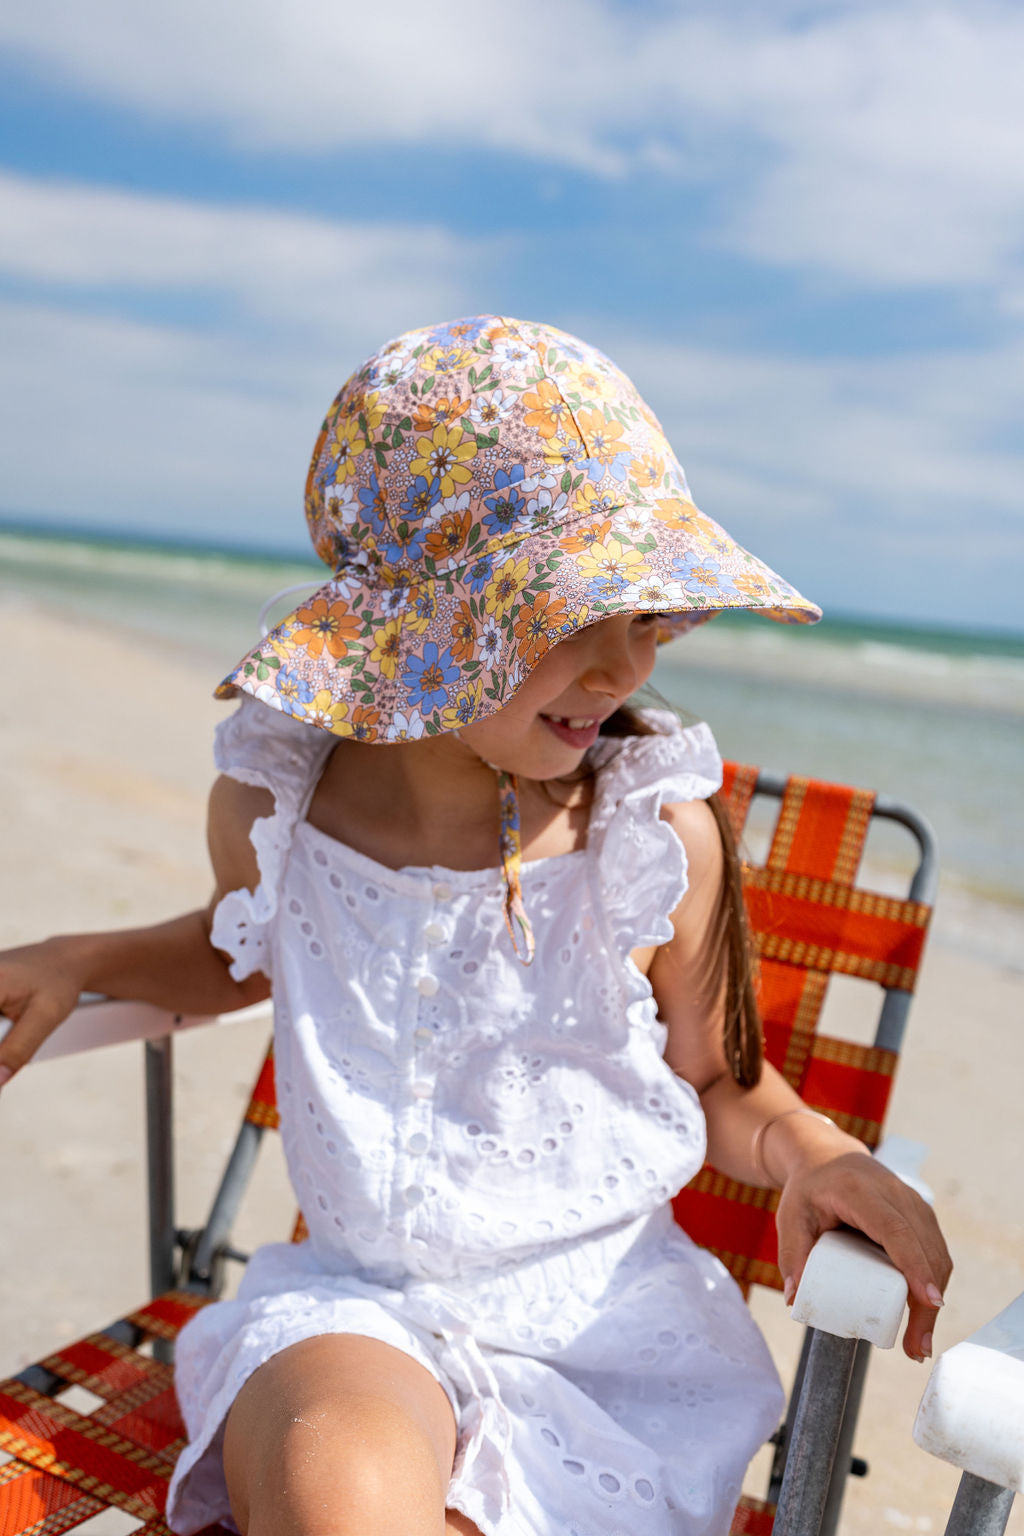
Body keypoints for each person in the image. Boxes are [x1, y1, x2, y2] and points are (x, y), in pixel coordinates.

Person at [0, 315, 950, 1536]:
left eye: (649, 618)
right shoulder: (274, 800)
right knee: (333, 1478)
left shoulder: (651, 833)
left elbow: (716, 1083)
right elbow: (241, 948)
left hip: (601, 1337)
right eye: (574, 614)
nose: (622, 668)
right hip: (354, 1311)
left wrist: (815, 1152)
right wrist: (83, 959)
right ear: (424, 625)